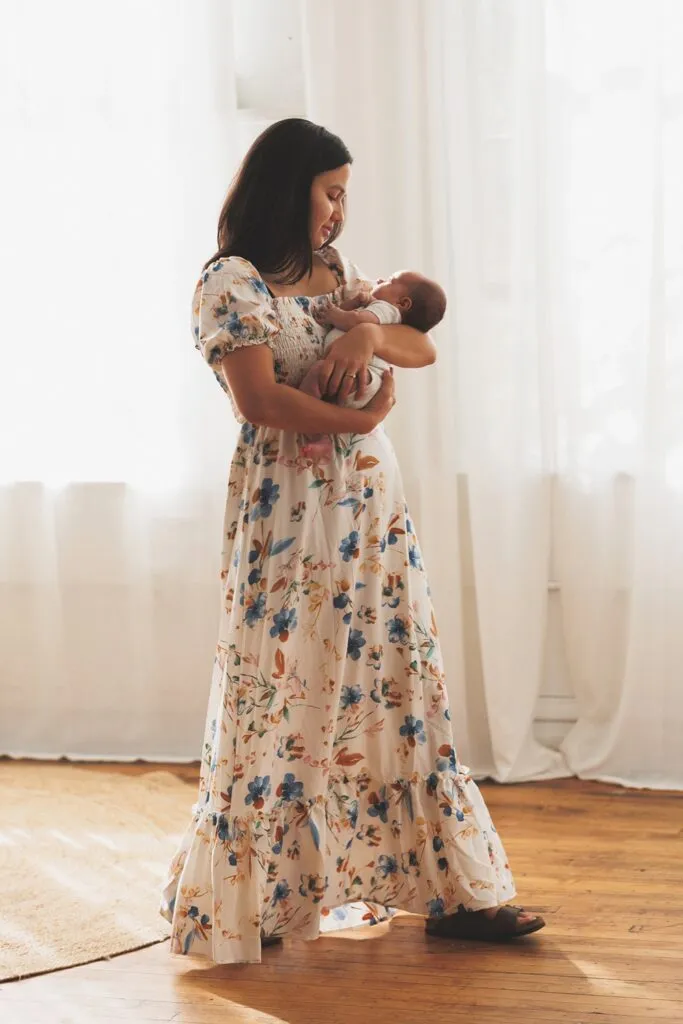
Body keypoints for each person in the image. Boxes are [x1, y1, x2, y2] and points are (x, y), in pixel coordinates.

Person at [159, 117, 545, 964]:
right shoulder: (230, 280)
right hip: (288, 510)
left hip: (369, 511)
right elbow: (258, 401)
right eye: (329, 192)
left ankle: (455, 891)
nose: (338, 211)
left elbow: (420, 348)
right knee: (282, 686)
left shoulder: (336, 273)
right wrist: (359, 417)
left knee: (397, 678)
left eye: (344, 196)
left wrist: (370, 333)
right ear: (286, 186)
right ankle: (257, 898)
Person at [296, 271, 447, 458]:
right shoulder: (381, 311)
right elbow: (350, 316)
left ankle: (312, 432)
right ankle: (321, 438)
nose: (382, 280)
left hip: (363, 377)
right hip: (367, 383)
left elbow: (356, 320)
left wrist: (335, 315)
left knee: (319, 373)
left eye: (391, 281)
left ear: (403, 303)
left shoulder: (386, 309)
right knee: (322, 381)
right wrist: (354, 304)